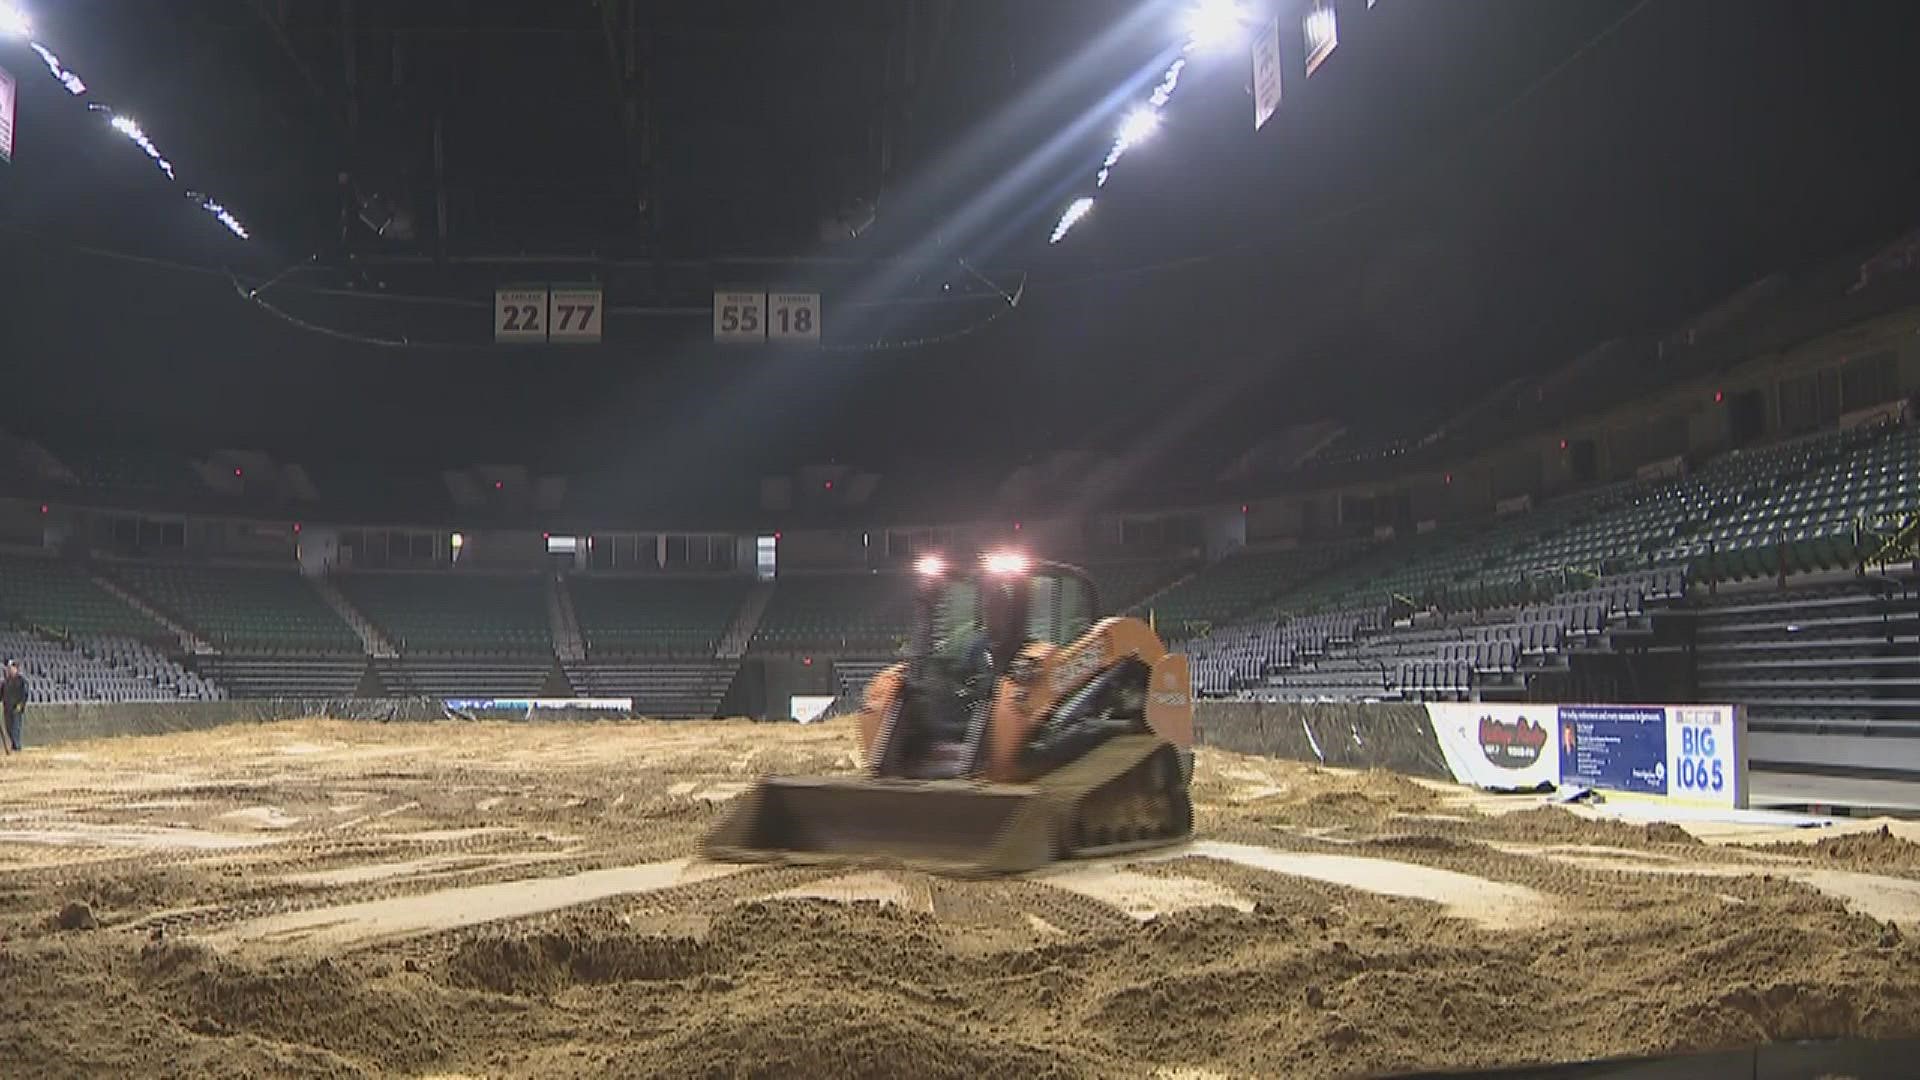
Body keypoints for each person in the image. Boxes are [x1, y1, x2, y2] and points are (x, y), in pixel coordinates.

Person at [2, 660, 28, 753]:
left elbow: (24, 694)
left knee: (15, 727)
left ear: (16, 669)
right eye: (9, 668)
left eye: (12, 668)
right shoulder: (5, 682)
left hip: (17, 707)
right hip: (7, 708)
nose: (10, 670)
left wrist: (21, 705)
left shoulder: (22, 680)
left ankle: (16, 746)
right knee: (8, 727)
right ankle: (14, 744)